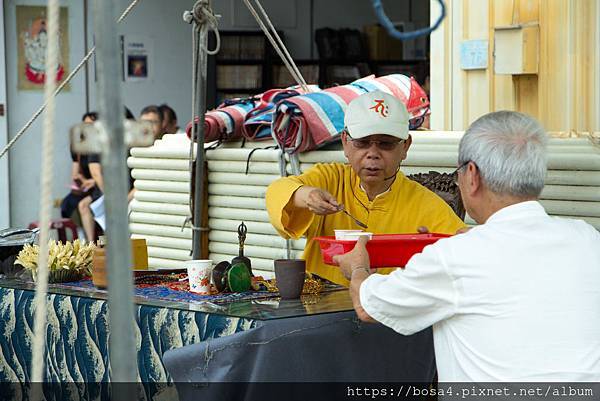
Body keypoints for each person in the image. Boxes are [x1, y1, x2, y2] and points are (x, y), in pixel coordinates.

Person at [335, 111, 600, 381]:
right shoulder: (587, 239)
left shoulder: (456, 257)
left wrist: (357, 267)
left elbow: (368, 305)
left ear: (471, 175)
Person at [265, 90, 465, 286]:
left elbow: (465, 247)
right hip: (315, 306)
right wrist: (306, 195)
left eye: (386, 144)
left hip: (385, 312)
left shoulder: (425, 204)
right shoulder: (331, 179)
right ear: (345, 142)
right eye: (362, 143)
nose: (373, 154)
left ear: (405, 147)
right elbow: (277, 191)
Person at [60, 111, 103, 241]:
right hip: (87, 188)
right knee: (68, 203)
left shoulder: (103, 146)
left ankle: (92, 243)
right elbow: (75, 174)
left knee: (85, 205)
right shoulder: (79, 148)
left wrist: (94, 182)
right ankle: (81, 237)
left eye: (91, 124)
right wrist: (82, 181)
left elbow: (107, 174)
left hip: (100, 186)